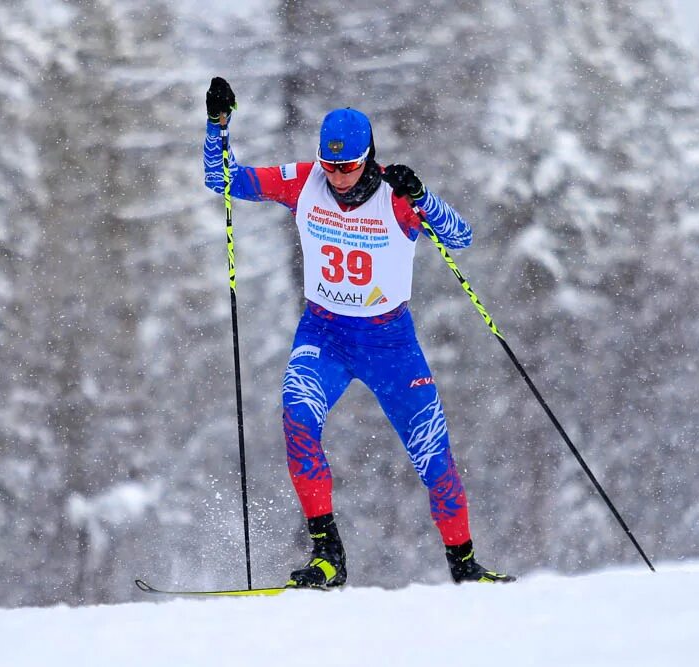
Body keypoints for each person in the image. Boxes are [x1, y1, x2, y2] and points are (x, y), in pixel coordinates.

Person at [203, 77, 513, 588]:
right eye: (330, 166)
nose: (339, 178)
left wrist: (423, 198)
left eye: (347, 167)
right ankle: (328, 554)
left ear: (369, 157)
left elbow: (461, 236)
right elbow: (224, 181)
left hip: (389, 344)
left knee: (432, 452)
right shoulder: (304, 183)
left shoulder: (395, 197)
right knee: (297, 419)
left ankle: (465, 566)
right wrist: (218, 127)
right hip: (324, 334)